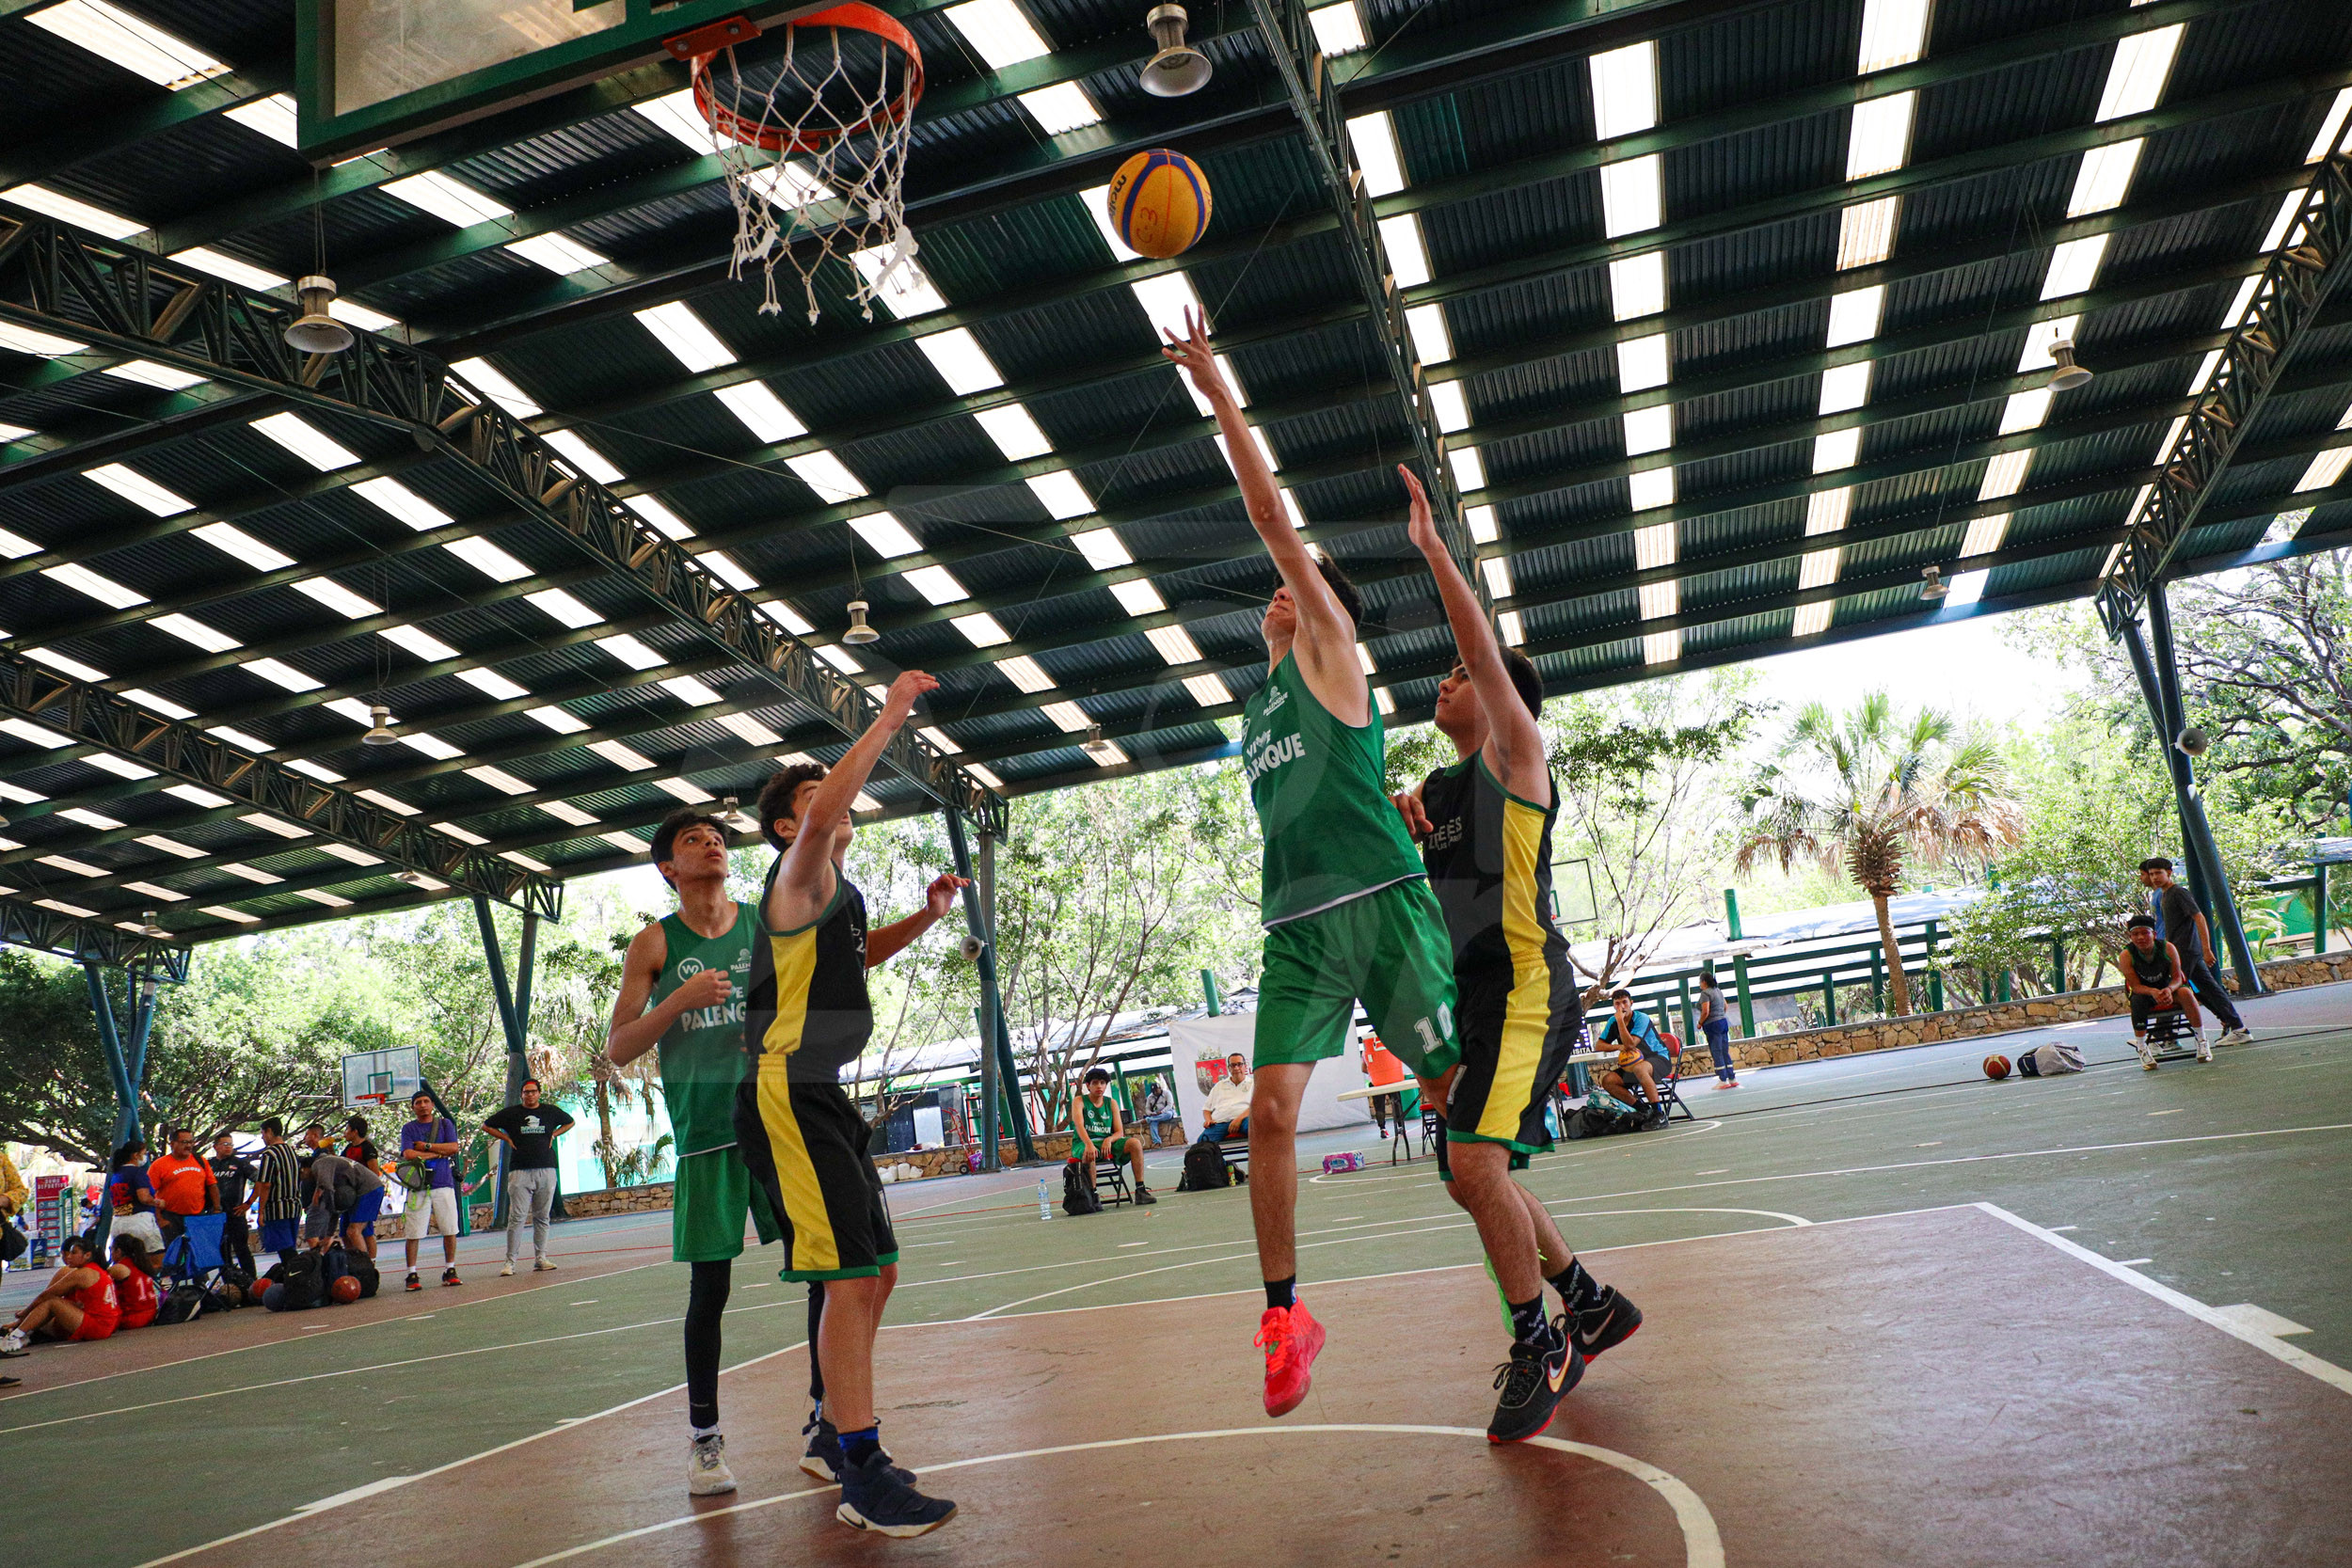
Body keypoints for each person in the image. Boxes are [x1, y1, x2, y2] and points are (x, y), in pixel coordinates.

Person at [1163, 310, 1463, 1421]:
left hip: (1384, 906)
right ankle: (1286, 1313)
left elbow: (1269, 518)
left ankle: (1558, 1290)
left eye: (1303, 580)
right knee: (1272, 1118)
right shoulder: (1258, 709)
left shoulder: (1336, 658)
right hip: (1296, 926)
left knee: (1451, 1109)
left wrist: (1216, 390)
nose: (1282, 589)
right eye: (1280, 586)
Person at [1390, 488, 1643, 1442]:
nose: (1448, 679)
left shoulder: (1516, 753)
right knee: (1471, 1173)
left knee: (1472, 1161)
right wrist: (1406, 825)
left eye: (1464, 671)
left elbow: (1487, 657)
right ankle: (1588, 1298)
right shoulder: (1442, 788)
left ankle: (1542, 1338)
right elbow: (1428, 880)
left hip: (1531, 985)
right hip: (1478, 999)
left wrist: (1431, 548)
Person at [736, 669, 964, 1536]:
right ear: (789, 826)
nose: (836, 807)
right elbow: (829, 808)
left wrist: (930, 917)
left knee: (882, 1267)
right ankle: (859, 1466)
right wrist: (892, 714)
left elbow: (856, 959)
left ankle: (837, 1431)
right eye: (814, 800)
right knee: (849, 1272)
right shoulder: (799, 871)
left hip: (818, 1091)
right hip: (783, 1090)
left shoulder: (834, 896)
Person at [610, 810, 788, 1497]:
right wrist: (678, 999)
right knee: (710, 1289)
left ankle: (827, 1421)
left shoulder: (764, 923)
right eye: (693, 840)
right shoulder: (655, 942)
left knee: (824, 1266)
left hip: (775, 1124)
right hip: (708, 1135)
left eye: (716, 836)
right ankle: (705, 1441)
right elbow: (620, 1046)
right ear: (668, 868)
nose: (712, 843)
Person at [2138, 858, 2250, 1046]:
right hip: (2180, 953)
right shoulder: (2165, 895)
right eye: (2151, 874)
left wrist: (2206, 949)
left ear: (2169, 873)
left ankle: (2158, 1040)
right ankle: (2236, 1026)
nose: (2155, 877)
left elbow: (2199, 917)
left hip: (2187, 953)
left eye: (2159, 873)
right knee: (2207, 990)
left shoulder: (2178, 893)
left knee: (2171, 990)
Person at [484, 1080, 575, 1276]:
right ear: (521, 1094)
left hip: (546, 1168)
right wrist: (507, 1139)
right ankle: (510, 1262)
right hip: (520, 1170)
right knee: (517, 1217)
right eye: (526, 1092)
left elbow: (570, 1121)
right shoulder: (512, 1113)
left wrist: (555, 1133)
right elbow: (487, 1125)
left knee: (542, 1216)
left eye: (533, 1092)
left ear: (539, 1093)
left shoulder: (550, 1111)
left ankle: (540, 1258)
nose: (529, 1095)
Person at [0, 1234, 119, 1355]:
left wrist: (23, 1314)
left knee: (51, 1303)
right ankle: (26, 1334)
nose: (69, 1257)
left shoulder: (81, 1273)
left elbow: (46, 1295)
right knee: (44, 1316)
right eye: (68, 1253)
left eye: (73, 1253)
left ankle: (14, 1337)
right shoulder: (96, 1270)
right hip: (106, 1324)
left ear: (87, 1255)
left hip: (97, 1326)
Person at [2120, 913, 2213, 1069]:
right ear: (2131, 937)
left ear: (2154, 935)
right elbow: (2135, 986)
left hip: (2168, 989)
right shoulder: (2126, 955)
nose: (2140, 937)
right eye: (2135, 934)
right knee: (2137, 1001)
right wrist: (2153, 992)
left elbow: (2178, 978)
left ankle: (2202, 1040)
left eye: (2144, 933)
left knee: (2186, 993)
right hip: (2145, 994)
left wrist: (2169, 990)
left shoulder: (2168, 948)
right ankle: (2142, 1048)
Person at [396, 1092, 464, 1291]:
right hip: (418, 1186)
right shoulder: (409, 1128)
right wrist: (438, 1152)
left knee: (450, 1228)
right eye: (418, 1102)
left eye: (426, 1101)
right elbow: (408, 1153)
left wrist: (426, 1147)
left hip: (443, 1183)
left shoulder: (445, 1125)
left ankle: (450, 1269)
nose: (423, 1105)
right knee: (414, 1232)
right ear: (413, 1107)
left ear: (432, 1104)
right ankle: (412, 1273)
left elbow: (453, 1147)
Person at [1071, 1067, 1155, 1205]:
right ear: (1088, 1086)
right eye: (1095, 1083)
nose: (1099, 1086)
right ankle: (1093, 1196)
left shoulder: (1112, 1103)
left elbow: (1119, 1132)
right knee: (1090, 1152)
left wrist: (1109, 1139)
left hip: (1107, 1143)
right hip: (1084, 1142)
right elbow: (1079, 1126)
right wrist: (1089, 1144)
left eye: (1103, 1083)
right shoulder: (1079, 1101)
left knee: (1135, 1143)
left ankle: (1140, 1190)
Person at [1593, 991, 1672, 1128]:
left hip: (1658, 1058)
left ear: (1631, 1003)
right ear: (1613, 1006)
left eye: (1624, 1002)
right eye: (1617, 1004)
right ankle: (1644, 1111)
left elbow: (1630, 1044)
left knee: (1639, 1068)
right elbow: (1599, 1045)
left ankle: (1659, 1114)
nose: (1621, 1006)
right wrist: (1618, 1046)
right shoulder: (1613, 1021)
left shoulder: (1642, 1018)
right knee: (1608, 1080)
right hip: (1633, 1064)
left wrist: (1620, 1022)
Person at [304, 1148, 389, 1255]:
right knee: (344, 1234)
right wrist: (329, 1234)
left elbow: (326, 1188)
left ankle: (364, 1265)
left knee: (353, 1231)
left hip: (369, 1189)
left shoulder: (319, 1163)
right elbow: (333, 1206)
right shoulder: (331, 1166)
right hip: (358, 1191)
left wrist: (318, 1193)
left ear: (305, 1168)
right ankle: (353, 1262)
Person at [252, 1118, 305, 1265]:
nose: (262, 1137)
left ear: (269, 1131)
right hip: (294, 1207)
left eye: (263, 1133)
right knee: (289, 1246)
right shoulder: (291, 1151)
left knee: (285, 1250)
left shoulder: (269, 1154)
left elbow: (266, 1184)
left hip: (277, 1209)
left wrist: (261, 1211)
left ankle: (298, 1275)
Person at [208, 1132, 258, 1277]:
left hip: (236, 1214)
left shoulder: (240, 1163)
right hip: (216, 1215)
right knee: (222, 1252)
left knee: (242, 1250)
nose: (228, 1147)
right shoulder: (208, 1164)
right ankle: (229, 1285)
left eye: (231, 1144)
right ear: (215, 1146)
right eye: (225, 1144)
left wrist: (248, 1203)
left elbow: (262, 1181)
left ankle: (251, 1282)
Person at [104, 1139, 166, 1254]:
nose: (145, 1157)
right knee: (156, 1259)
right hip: (139, 1221)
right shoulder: (138, 1172)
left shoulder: (115, 1175)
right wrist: (158, 1202)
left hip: (118, 1222)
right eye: (144, 1153)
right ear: (135, 1155)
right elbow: (144, 1198)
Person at [339, 1117, 385, 1259]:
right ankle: (355, 1260)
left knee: (356, 1230)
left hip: (367, 1192)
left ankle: (366, 1263)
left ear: (355, 1131)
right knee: (347, 1231)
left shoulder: (367, 1148)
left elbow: (374, 1173)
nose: (345, 1133)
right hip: (353, 1194)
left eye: (347, 1129)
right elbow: (339, 1165)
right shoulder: (348, 1148)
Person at [1358, 1030, 1419, 1138]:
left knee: (1379, 1106)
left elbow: (1363, 1068)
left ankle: (1382, 1128)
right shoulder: (1390, 1047)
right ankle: (1400, 1126)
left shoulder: (1367, 1051)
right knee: (1396, 1103)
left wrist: (1375, 1073)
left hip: (1376, 1082)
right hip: (1392, 1079)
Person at [1200, 1053, 1253, 1144]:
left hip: (1245, 1120)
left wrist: (1238, 1119)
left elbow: (1257, 1106)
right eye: (1233, 1065)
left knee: (1258, 1130)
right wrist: (1209, 1120)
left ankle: (1257, 1158)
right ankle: (1219, 1159)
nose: (1236, 1068)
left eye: (1239, 1064)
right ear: (1229, 1068)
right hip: (1221, 1123)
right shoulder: (1219, 1085)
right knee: (1203, 1143)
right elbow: (1206, 1109)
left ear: (1245, 1066)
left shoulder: (1254, 1084)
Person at [108, 1235, 160, 1330]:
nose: (110, 1253)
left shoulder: (119, 1268)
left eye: (110, 1249)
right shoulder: (142, 1264)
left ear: (118, 1251)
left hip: (132, 1318)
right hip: (151, 1314)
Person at [1697, 966, 1737, 1087]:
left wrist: (1700, 1022)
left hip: (1712, 1024)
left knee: (1716, 1051)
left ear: (1704, 982)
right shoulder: (1718, 991)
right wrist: (1720, 1015)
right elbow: (1726, 1006)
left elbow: (1705, 1011)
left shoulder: (1705, 993)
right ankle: (1732, 1078)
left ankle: (1722, 1079)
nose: (1699, 985)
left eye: (1700, 982)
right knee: (1724, 1050)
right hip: (1723, 1022)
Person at [1139, 1078, 1180, 1145]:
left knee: (1168, 1114)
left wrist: (1162, 1112)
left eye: (1156, 1090)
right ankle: (1157, 1142)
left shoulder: (1167, 1093)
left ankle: (1149, 1119)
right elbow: (1147, 1108)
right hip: (1156, 1114)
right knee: (1153, 1123)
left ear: (1160, 1088)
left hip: (1167, 1112)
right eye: (1153, 1091)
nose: (1155, 1092)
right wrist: (1151, 1113)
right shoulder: (1150, 1097)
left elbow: (1170, 1105)